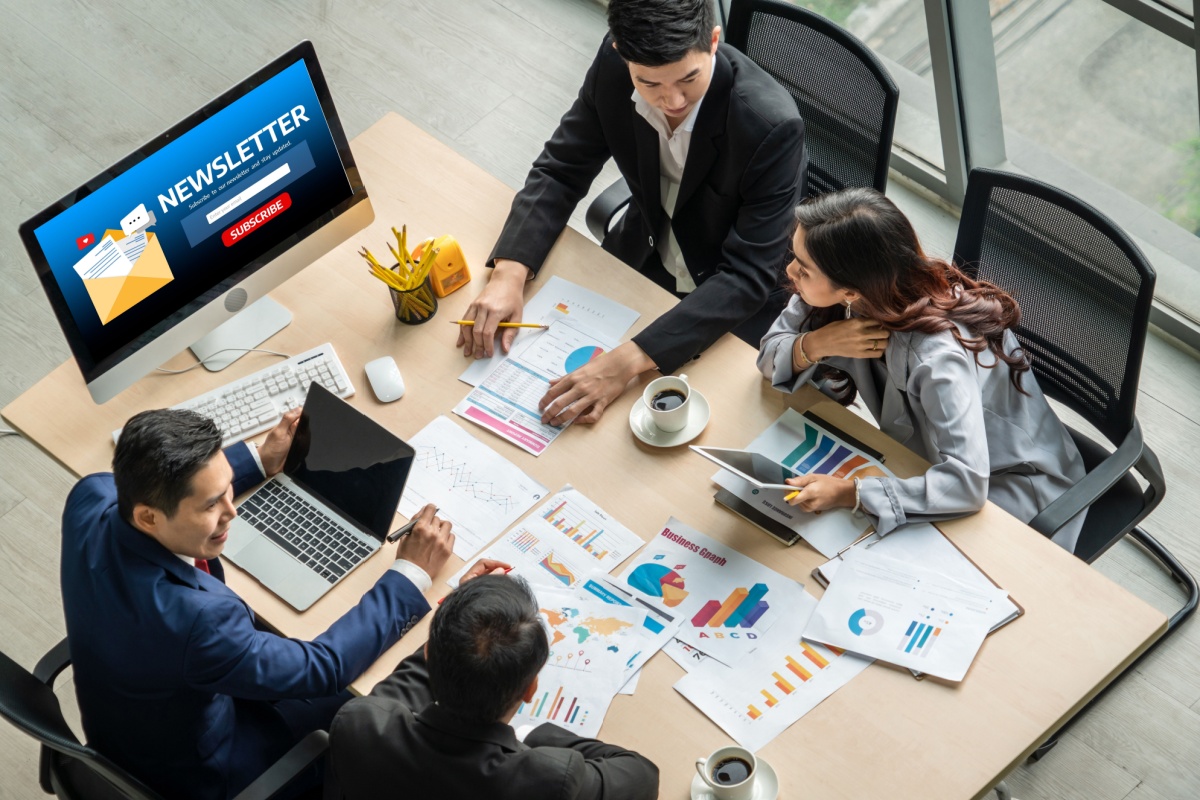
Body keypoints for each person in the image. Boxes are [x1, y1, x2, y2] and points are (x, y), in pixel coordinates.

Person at [60, 408, 454, 800]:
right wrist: (409, 574)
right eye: (211, 505)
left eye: (227, 488)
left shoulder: (91, 496)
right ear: (149, 518)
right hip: (202, 772)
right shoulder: (199, 622)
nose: (232, 512)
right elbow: (325, 667)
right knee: (368, 700)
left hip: (128, 722)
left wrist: (256, 461)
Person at [460, 0, 807, 426]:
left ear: (713, 41)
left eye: (688, 79)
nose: (672, 100)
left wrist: (624, 363)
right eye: (649, 83)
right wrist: (509, 272)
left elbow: (747, 274)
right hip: (644, 256)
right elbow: (562, 169)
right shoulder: (612, 64)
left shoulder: (771, 125)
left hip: (729, 301)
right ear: (622, 52)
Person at [757, 188, 1087, 552]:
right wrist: (817, 344)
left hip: (1011, 485)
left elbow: (966, 482)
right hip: (925, 461)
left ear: (851, 291)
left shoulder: (938, 358)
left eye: (803, 270)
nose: (790, 271)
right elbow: (769, 357)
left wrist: (852, 492)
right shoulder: (854, 289)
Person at [327, 574, 660, 800]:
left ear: (429, 654)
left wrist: (456, 622)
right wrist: (532, 735)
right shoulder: (547, 780)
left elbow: (407, 685)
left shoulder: (363, 724)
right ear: (530, 690)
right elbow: (642, 775)